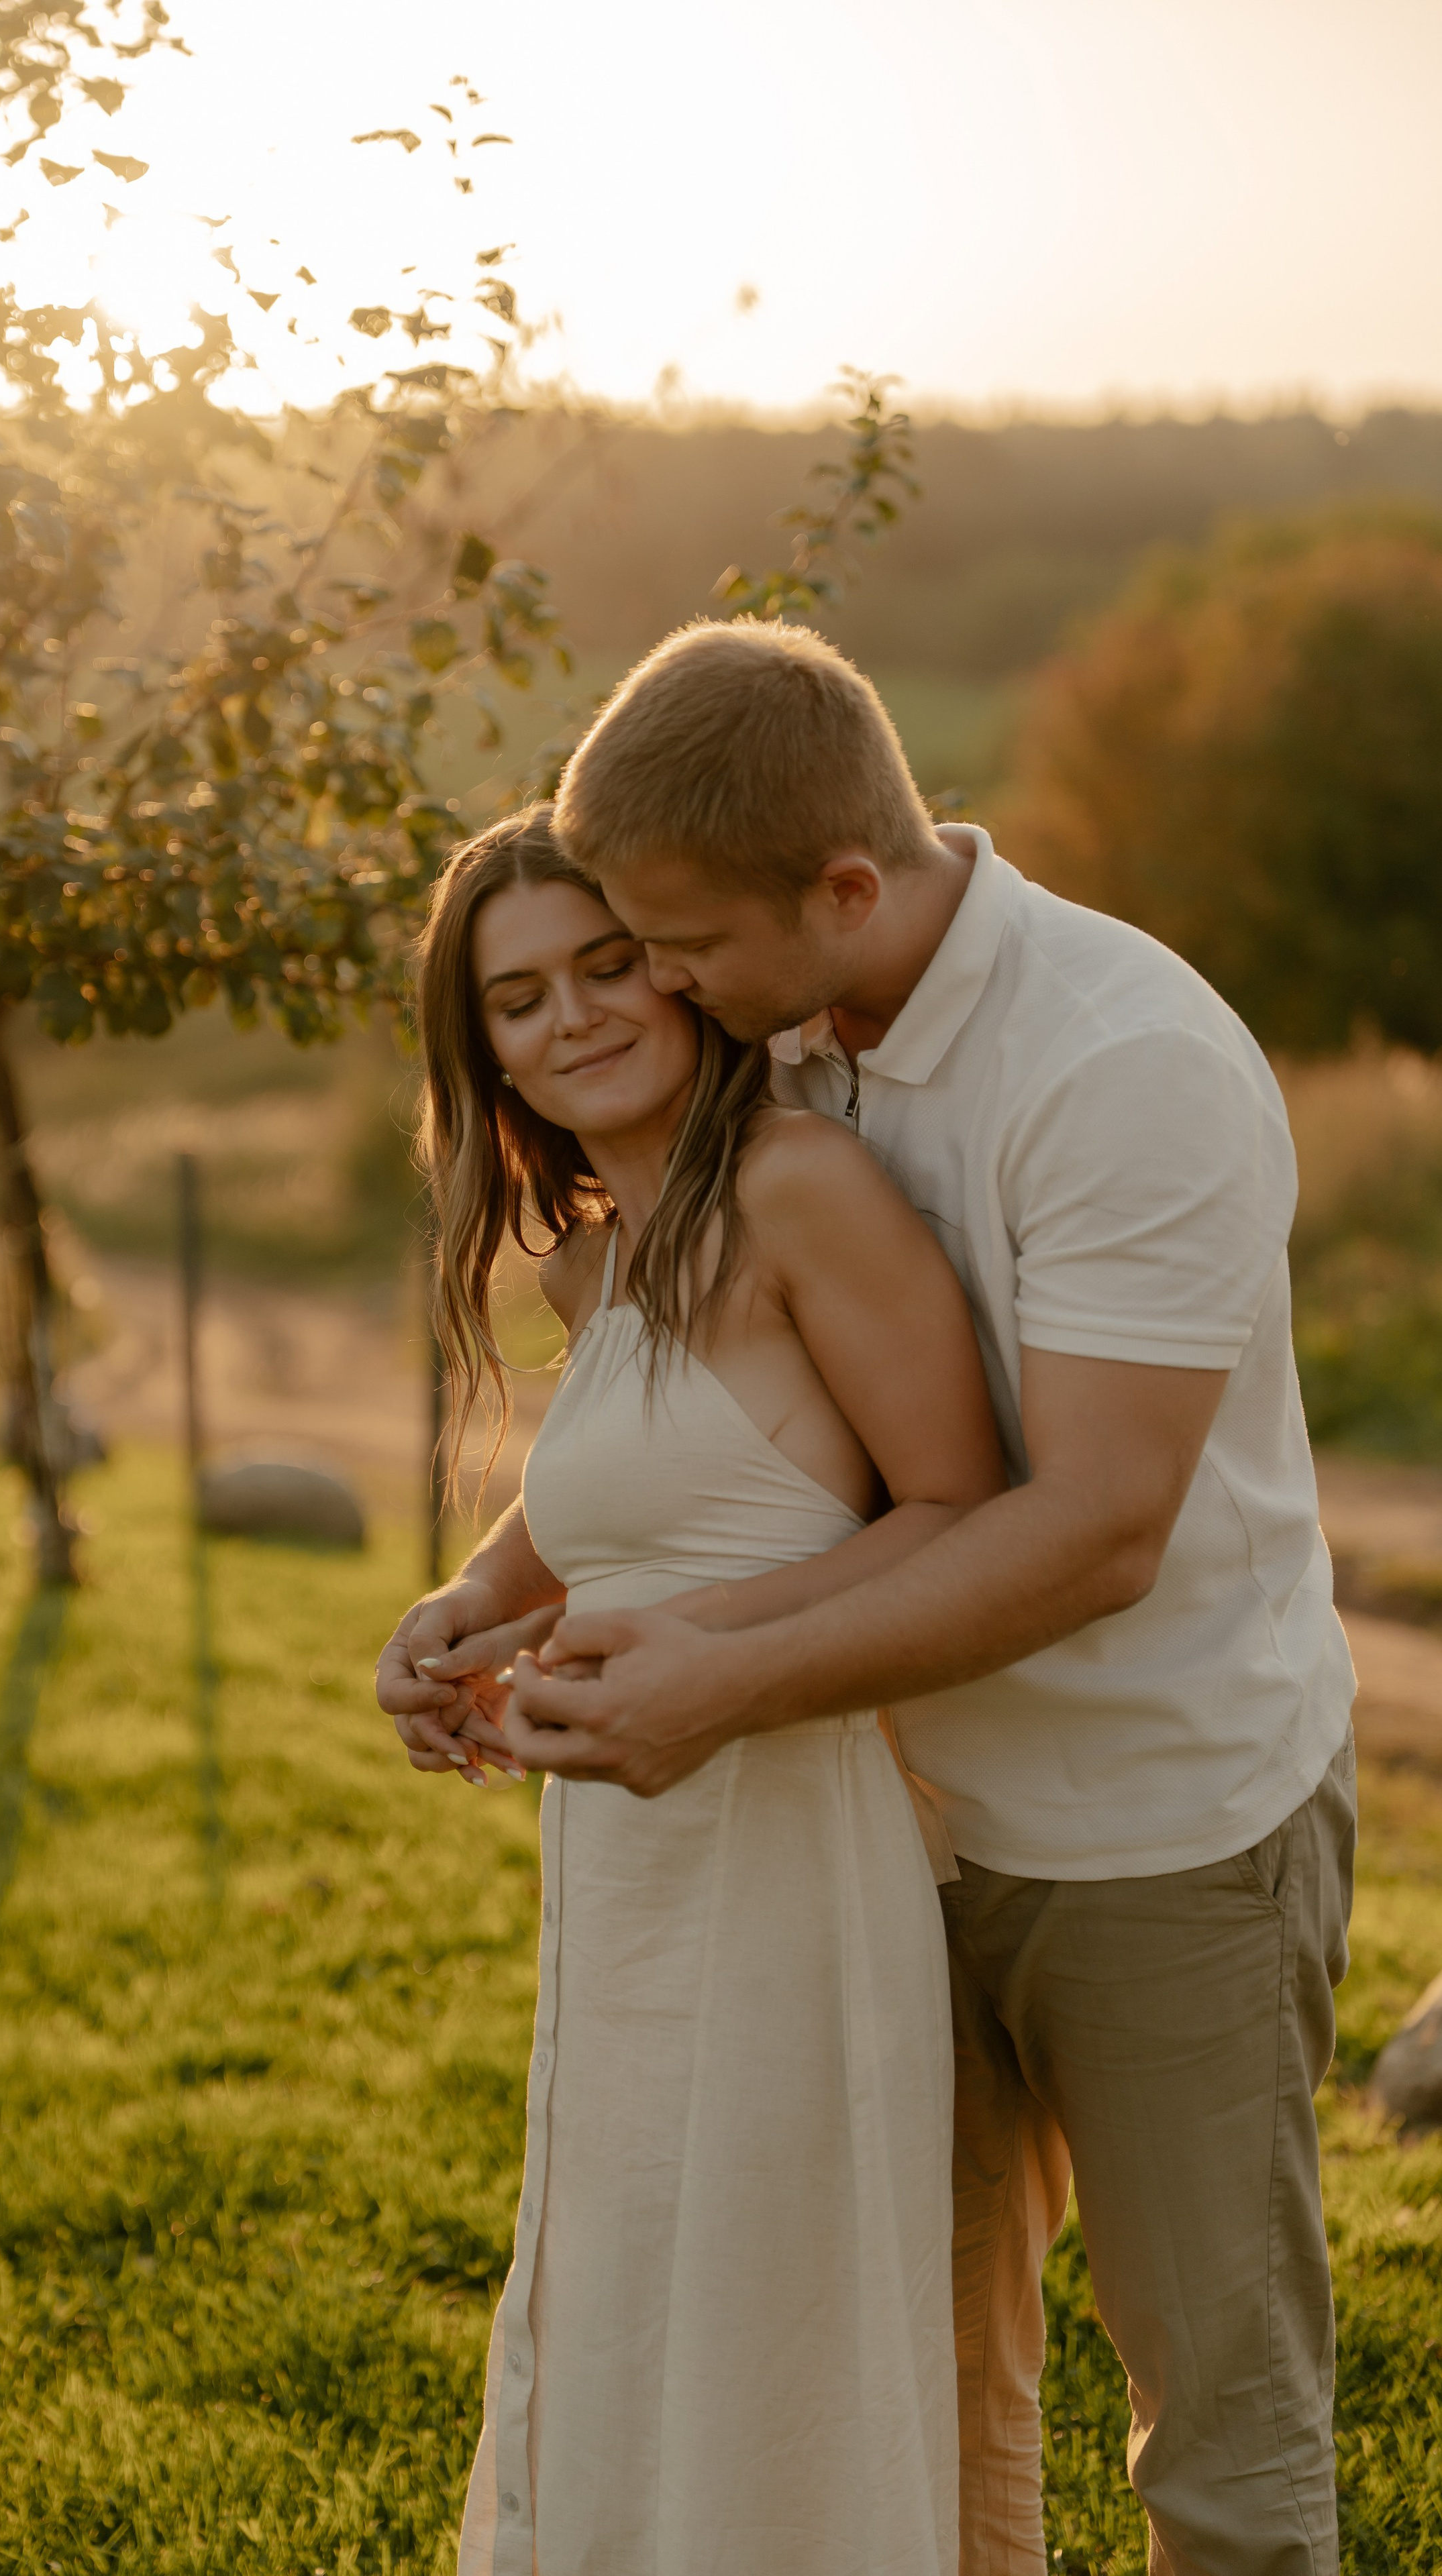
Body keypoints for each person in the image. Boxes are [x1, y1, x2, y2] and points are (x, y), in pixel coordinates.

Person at [378, 623, 1358, 2576]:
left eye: (674, 953)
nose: (649, 991)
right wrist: (499, 1596)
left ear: (840, 889)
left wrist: (715, 1684)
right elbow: (722, 1445)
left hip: (1151, 1831)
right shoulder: (798, 1032)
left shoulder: (1122, 1063)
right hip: (889, 1834)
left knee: (1219, 2444)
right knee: (928, 2388)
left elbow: (1087, 1530)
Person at [405, 806, 1007, 2576]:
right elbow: (642, 1500)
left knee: (762, 2331)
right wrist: (468, 1604)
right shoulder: (602, 1254)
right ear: (484, 1046)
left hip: (790, 1855)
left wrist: (718, 1658)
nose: (572, 1019)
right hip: (627, 1869)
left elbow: (956, 1510)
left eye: (607, 966)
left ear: (679, 974)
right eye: (517, 998)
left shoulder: (800, 1187)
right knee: (625, 2295)